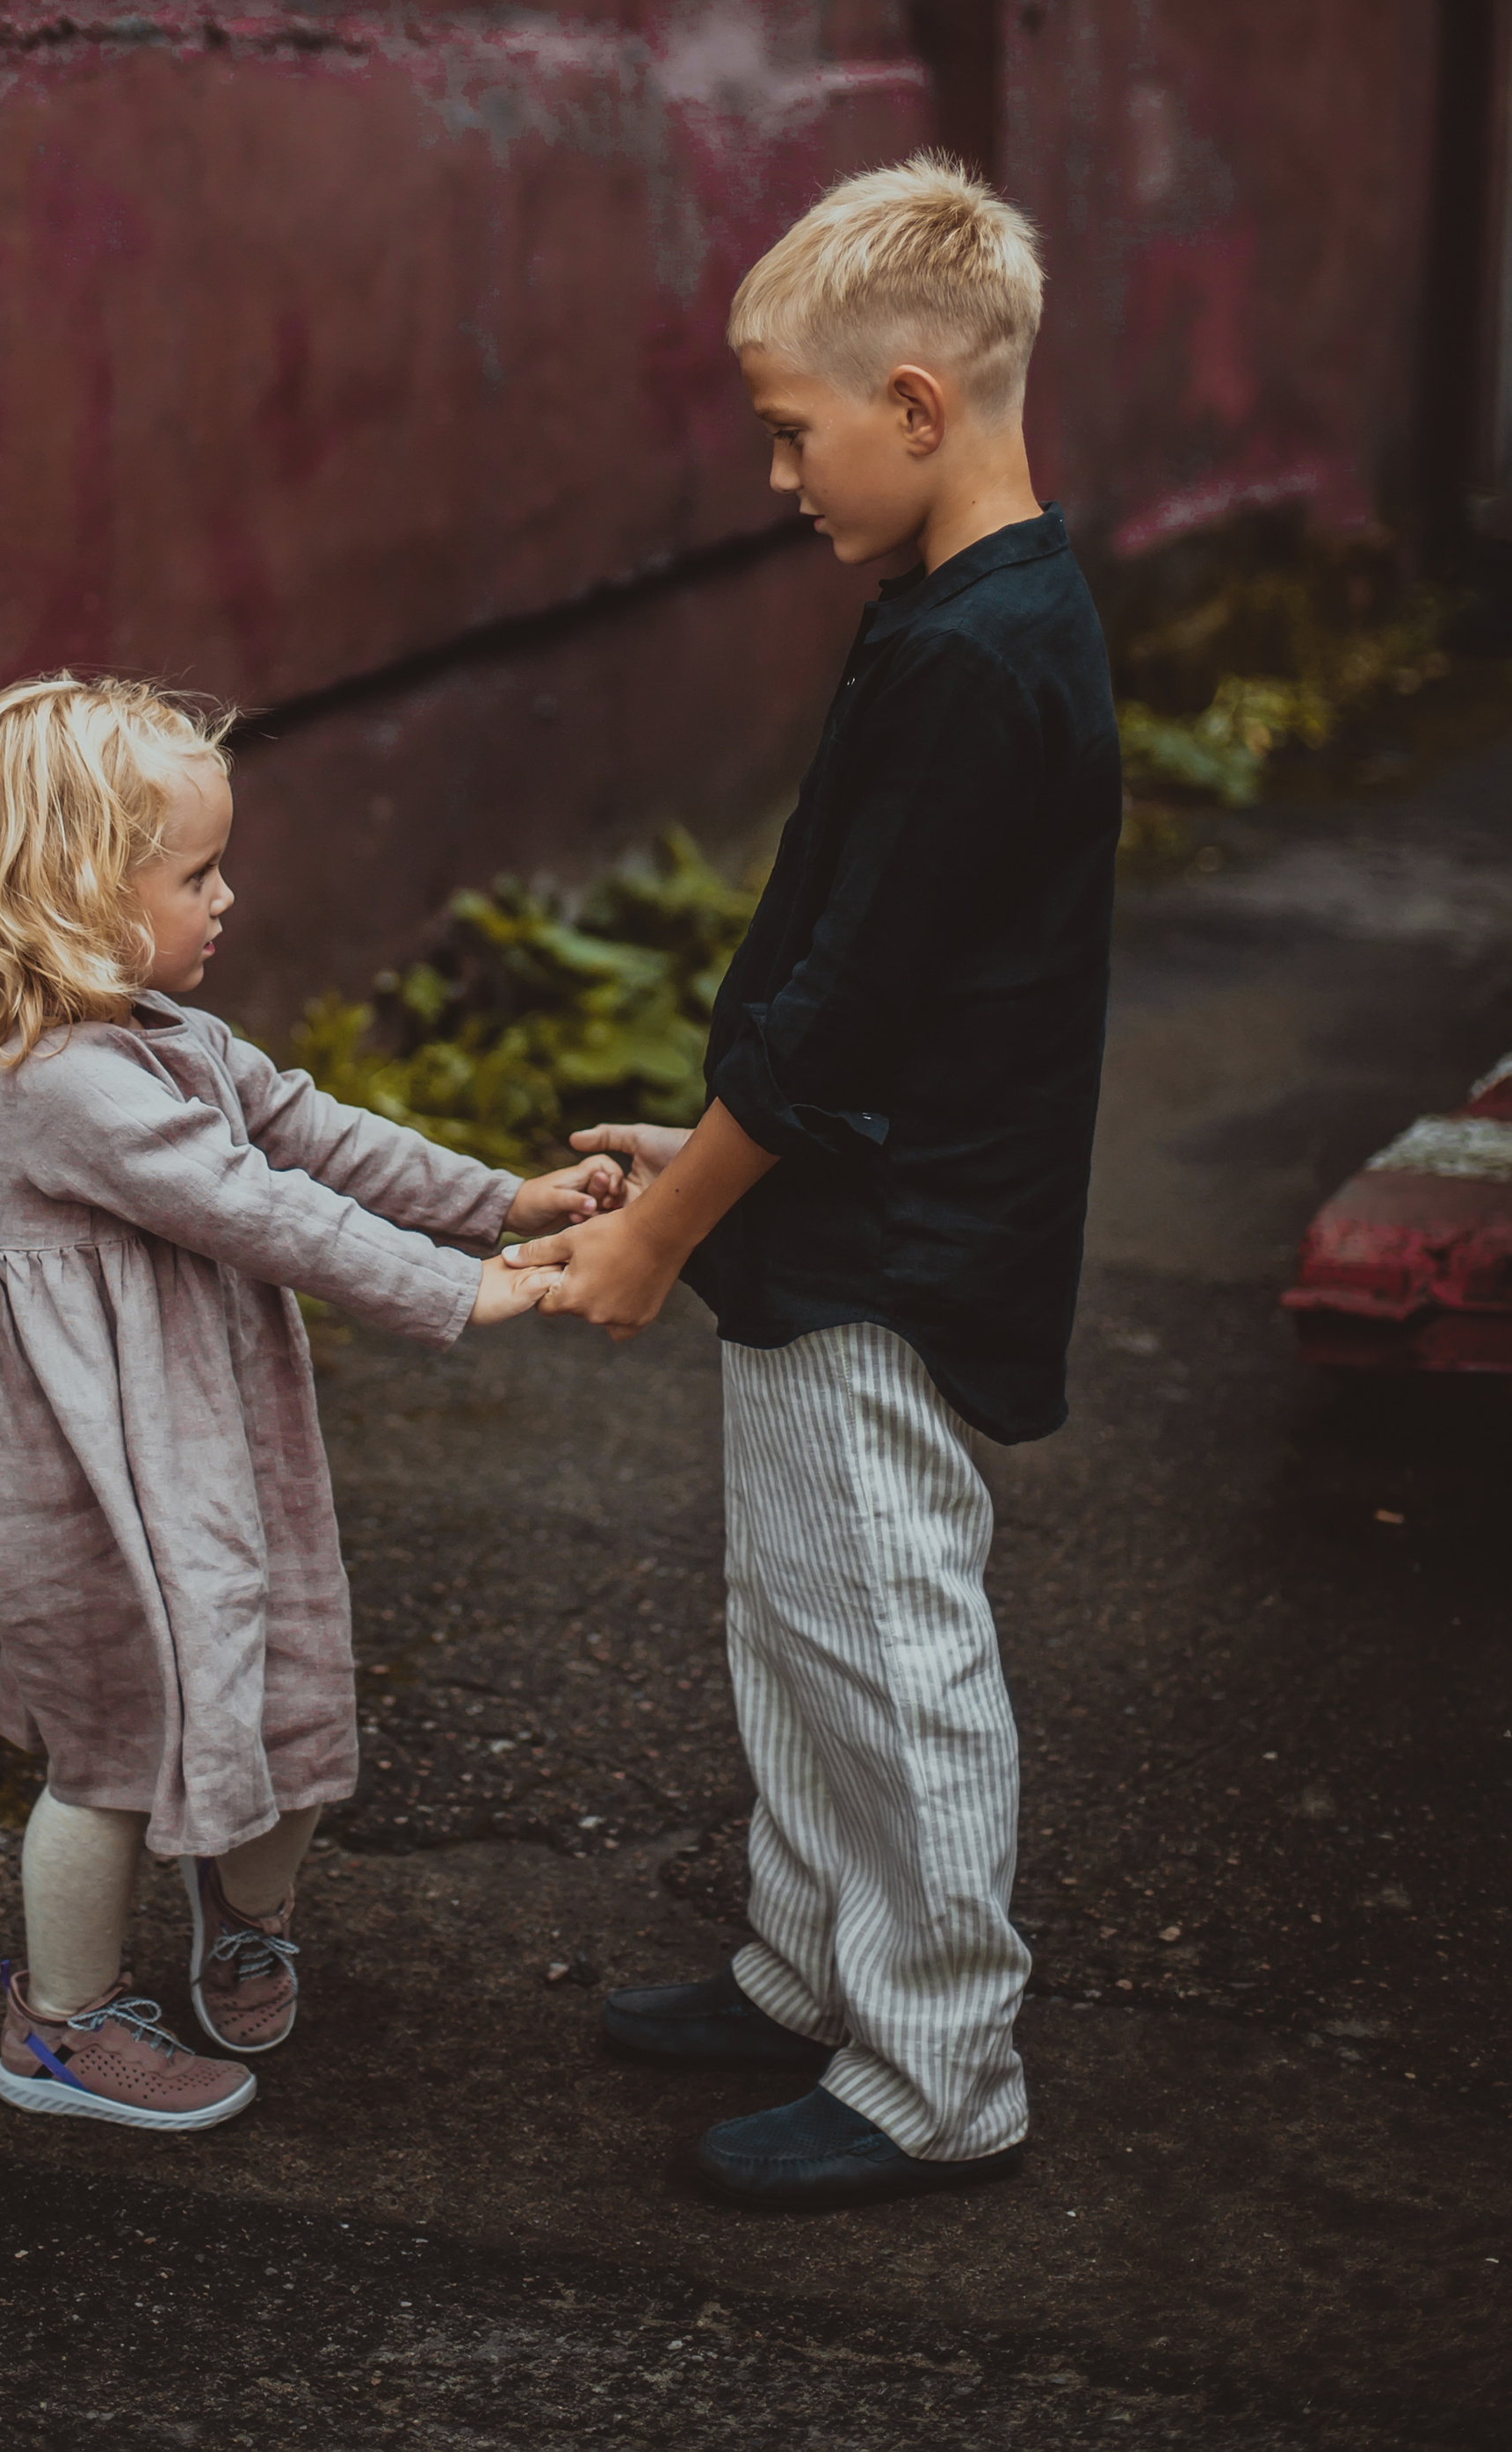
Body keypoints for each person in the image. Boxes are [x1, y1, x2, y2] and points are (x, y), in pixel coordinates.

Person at [508, 154, 1121, 2210]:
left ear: (919, 407)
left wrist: (663, 1224)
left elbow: (848, 1015)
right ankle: (807, 1961)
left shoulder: (982, 657)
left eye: (793, 431)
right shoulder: (947, 613)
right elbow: (845, 967)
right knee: (790, 1618)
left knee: (884, 1641)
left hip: (893, 1240)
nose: (778, 476)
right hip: (826, 1212)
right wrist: (693, 1163)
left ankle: (940, 2061)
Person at [0, 673, 621, 2131]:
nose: (229, 896)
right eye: (197, 871)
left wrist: (495, 1200)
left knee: (289, 1663)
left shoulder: (164, 1029)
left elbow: (308, 1128)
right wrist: (455, 1289)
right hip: (100, 1490)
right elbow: (254, 1204)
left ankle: (245, 1913)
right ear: (79, 895)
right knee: (112, 1746)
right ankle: (56, 2028)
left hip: (213, 1447)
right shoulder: (62, 1084)